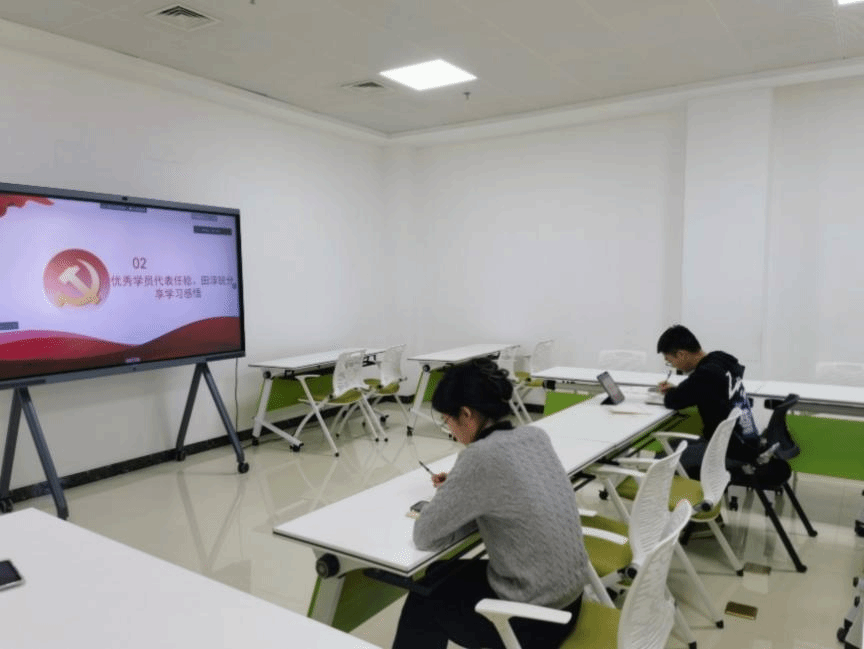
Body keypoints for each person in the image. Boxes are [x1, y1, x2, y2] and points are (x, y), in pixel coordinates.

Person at [392, 358, 588, 649]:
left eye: (447, 421)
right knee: (439, 573)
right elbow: (512, 489)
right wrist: (463, 485)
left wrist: (456, 490)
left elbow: (425, 535)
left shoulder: (480, 456)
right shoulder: (535, 435)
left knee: (424, 596)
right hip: (570, 598)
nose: (450, 431)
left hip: (536, 620)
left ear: (466, 414)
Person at [655, 324, 759, 478]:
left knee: (661, 459)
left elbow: (672, 401)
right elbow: (698, 390)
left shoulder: (705, 375)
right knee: (671, 445)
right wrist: (679, 389)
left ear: (681, 354)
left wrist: (671, 391)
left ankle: (688, 492)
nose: (673, 366)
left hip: (730, 451)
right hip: (746, 440)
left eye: (670, 361)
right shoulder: (721, 359)